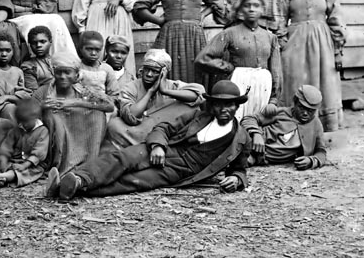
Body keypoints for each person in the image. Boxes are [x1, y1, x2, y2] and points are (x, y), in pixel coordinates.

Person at [45, 81, 251, 200]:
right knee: (123, 158)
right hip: (166, 150)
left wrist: (236, 179)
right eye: (219, 104)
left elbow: (239, 169)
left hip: (182, 171)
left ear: (237, 106)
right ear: (212, 105)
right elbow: (164, 127)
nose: (224, 109)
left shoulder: (241, 138)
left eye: (229, 105)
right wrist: (158, 146)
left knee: (134, 181)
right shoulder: (197, 116)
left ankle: (71, 189)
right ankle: (80, 178)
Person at [133, 0, 224, 84]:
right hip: (170, 34)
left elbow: (217, 2)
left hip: (194, 34)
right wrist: (158, 21)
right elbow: (139, 7)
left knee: (196, 67)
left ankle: (195, 96)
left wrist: (202, 15)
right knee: (167, 66)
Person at [280, 0, 346, 131]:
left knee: (325, 79)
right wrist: (282, 43)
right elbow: (280, 20)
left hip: (322, 42)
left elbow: (336, 20)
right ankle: (295, 124)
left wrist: (337, 51)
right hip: (295, 42)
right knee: (295, 79)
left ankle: (325, 124)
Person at [195, 0, 282, 121]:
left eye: (256, 6)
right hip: (239, 83)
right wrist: (227, 67)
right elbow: (202, 59)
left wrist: (274, 100)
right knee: (238, 119)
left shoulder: (270, 37)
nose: (251, 9)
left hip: (263, 86)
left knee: (259, 121)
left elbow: (276, 71)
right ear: (241, 10)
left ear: (262, 10)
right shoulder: (230, 33)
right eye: (247, 5)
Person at [34, 53, 114, 175]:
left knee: (97, 115)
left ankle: (88, 164)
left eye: (67, 72)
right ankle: (62, 166)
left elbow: (109, 106)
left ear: (76, 74)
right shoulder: (44, 92)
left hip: (79, 133)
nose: (62, 76)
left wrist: (73, 102)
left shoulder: (84, 91)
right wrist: (41, 107)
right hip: (54, 144)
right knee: (52, 116)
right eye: (59, 72)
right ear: (53, 72)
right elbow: (27, 113)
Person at [106, 49, 204, 149]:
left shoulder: (172, 86)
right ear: (142, 69)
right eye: (147, 69)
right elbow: (131, 117)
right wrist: (150, 92)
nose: (149, 74)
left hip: (165, 130)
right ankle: (153, 145)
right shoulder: (130, 87)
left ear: (164, 73)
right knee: (114, 125)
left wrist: (165, 91)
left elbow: (198, 93)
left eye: (155, 71)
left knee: (189, 107)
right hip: (139, 130)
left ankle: (157, 143)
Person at [243, 85, 327, 170]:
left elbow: (321, 151)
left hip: (263, 160)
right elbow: (248, 119)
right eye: (301, 108)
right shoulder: (281, 113)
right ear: (295, 103)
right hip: (251, 149)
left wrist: (311, 161)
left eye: (310, 110)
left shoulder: (316, 124)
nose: (305, 113)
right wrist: (256, 134)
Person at [0, 97, 50, 188]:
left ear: (35, 118)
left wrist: (24, 165)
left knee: (25, 173)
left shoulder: (42, 131)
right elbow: (6, 146)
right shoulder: (16, 130)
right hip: (14, 162)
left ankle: (1, 177)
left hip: (32, 165)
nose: (24, 125)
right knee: (4, 168)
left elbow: (39, 153)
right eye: (21, 122)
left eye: (27, 122)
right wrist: (3, 161)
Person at [77, 30, 120, 102]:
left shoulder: (106, 69)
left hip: (103, 104)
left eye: (97, 50)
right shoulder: (76, 67)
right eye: (89, 49)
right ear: (81, 48)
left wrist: (104, 99)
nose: (93, 53)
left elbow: (115, 95)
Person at [0, 34, 30, 100]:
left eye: (8, 50)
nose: (4, 54)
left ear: (13, 51)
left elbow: (22, 93)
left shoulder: (18, 71)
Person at [21, 25, 54, 92]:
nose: (38, 45)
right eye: (34, 43)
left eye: (43, 42)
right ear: (30, 45)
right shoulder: (28, 66)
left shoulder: (61, 61)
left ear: (50, 41)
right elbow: (34, 91)